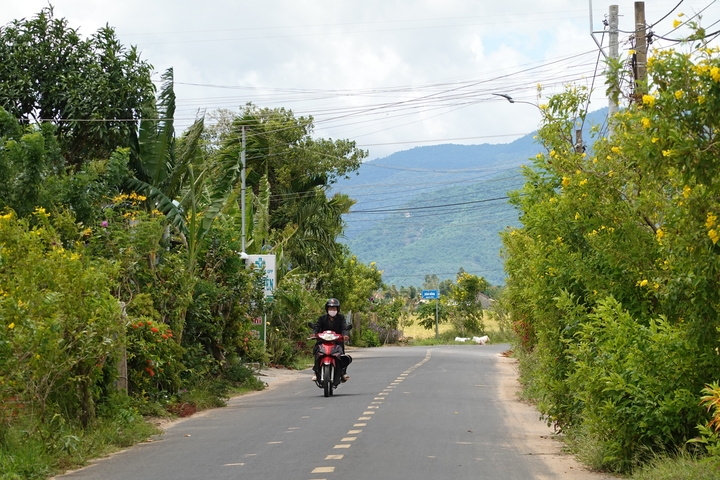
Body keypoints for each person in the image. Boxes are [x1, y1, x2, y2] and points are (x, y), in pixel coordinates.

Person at [311, 298, 351, 382]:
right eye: (330, 308)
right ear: (327, 309)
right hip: (323, 341)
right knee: (317, 351)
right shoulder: (322, 318)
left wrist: (345, 335)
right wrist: (314, 333)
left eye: (334, 308)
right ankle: (316, 371)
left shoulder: (341, 318)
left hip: (337, 341)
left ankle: (343, 372)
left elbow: (344, 328)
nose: (332, 310)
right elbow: (316, 327)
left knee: (342, 354)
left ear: (337, 309)